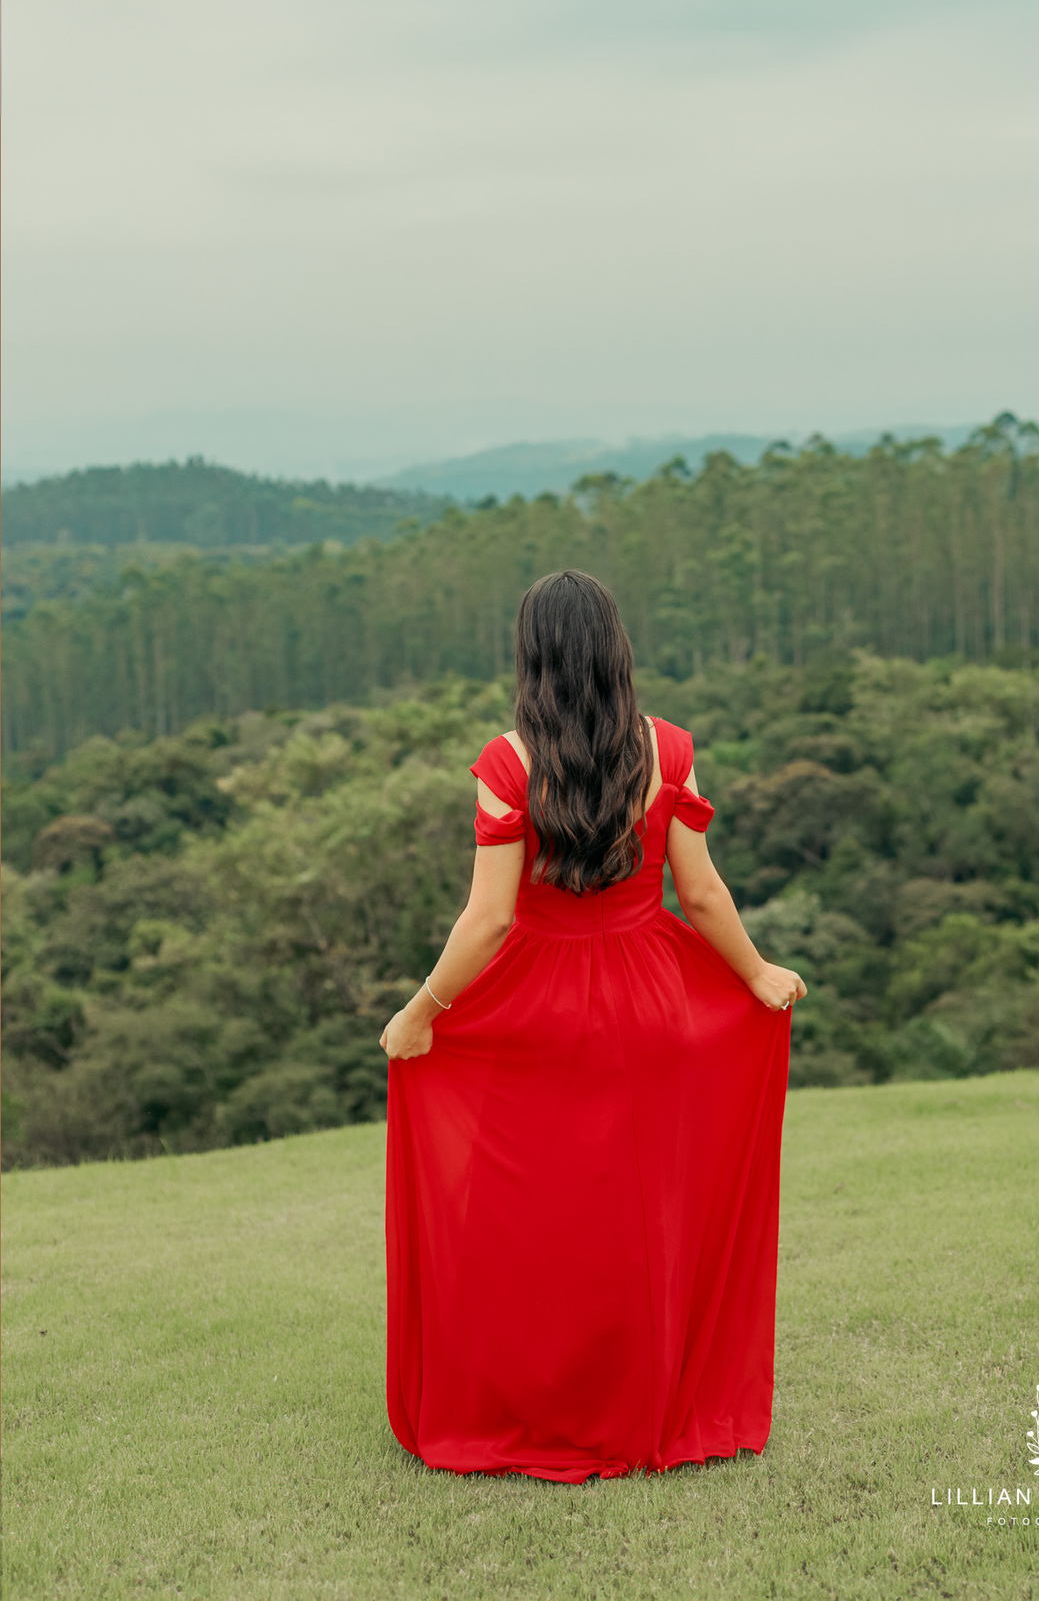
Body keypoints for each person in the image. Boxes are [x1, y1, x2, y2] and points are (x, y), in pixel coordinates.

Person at [381, 569, 803, 1482]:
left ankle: (545, 1401)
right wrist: (758, 973)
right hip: (654, 1002)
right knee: (642, 1217)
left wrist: (420, 1012)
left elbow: (488, 920)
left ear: (531, 656)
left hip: (537, 1014)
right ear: (615, 648)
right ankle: (642, 1405)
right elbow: (701, 893)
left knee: (536, 1220)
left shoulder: (507, 764)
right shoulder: (669, 749)